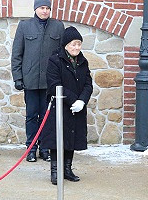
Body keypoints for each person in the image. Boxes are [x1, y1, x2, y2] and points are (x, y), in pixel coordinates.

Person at [11, 0, 64, 162]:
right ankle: (31, 148)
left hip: (50, 82)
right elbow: (16, 54)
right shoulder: (25, 26)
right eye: (42, 8)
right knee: (32, 116)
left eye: (47, 8)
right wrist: (18, 77)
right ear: (36, 9)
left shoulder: (58, 27)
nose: (45, 11)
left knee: (47, 116)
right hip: (31, 80)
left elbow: (62, 54)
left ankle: (46, 148)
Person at [40, 26, 93, 185]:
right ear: (65, 45)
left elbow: (88, 85)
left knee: (72, 137)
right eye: (73, 44)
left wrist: (82, 101)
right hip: (60, 107)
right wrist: (72, 100)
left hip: (77, 108)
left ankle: (67, 169)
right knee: (57, 140)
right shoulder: (55, 60)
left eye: (79, 44)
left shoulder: (83, 61)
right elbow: (55, 84)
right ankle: (55, 171)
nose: (76, 47)